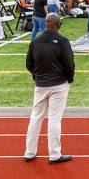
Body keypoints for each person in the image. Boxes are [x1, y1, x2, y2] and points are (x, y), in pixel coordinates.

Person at [24, 13, 75, 164]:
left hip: (40, 84)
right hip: (58, 84)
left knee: (35, 117)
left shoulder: (36, 41)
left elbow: (29, 63)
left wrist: (37, 76)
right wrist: (69, 79)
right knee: (54, 119)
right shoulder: (62, 41)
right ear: (58, 24)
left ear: (46, 24)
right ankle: (54, 154)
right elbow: (69, 64)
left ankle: (29, 152)